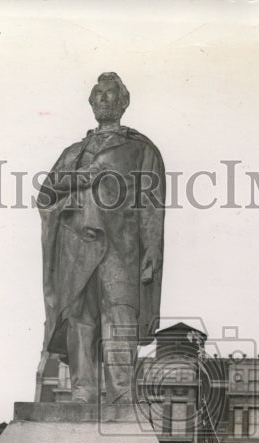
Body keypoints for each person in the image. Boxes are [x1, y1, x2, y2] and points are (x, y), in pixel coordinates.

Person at [39, 72, 165, 403]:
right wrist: (85, 178)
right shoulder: (73, 152)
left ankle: (121, 395)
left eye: (111, 94)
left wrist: (152, 250)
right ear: (91, 102)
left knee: (120, 314)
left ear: (124, 102)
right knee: (80, 315)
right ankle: (83, 391)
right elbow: (47, 193)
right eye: (98, 94)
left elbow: (152, 203)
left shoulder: (140, 149)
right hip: (76, 244)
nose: (104, 99)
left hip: (121, 246)